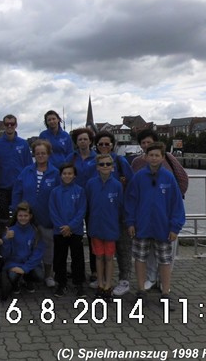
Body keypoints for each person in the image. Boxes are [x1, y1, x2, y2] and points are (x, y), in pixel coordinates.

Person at [125, 142, 186, 308]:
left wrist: (175, 227)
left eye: (157, 155)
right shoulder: (138, 177)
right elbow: (130, 201)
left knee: (165, 261)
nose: (153, 158)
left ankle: (165, 292)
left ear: (162, 157)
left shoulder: (169, 178)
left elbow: (176, 205)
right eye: (151, 155)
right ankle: (141, 290)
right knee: (140, 258)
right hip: (141, 226)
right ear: (145, 157)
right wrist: (130, 222)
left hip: (163, 227)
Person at [11, 139, 60, 287]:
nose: (40, 156)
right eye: (37, 153)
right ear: (34, 154)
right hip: (27, 218)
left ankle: (48, 275)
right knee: (24, 245)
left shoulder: (55, 173)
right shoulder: (26, 171)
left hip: (47, 217)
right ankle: (25, 274)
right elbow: (17, 192)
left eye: (43, 153)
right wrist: (16, 210)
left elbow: (59, 196)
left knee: (48, 246)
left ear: (48, 154)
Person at [94, 130, 134, 298]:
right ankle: (102, 279)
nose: (104, 146)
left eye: (107, 144)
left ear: (112, 145)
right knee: (103, 251)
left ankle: (124, 280)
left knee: (123, 248)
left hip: (120, 210)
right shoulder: (95, 162)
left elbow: (131, 184)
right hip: (103, 213)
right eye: (101, 144)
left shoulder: (120, 161)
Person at [85, 154, 123, 301]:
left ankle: (108, 285)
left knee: (109, 258)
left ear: (112, 167)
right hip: (95, 226)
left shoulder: (117, 185)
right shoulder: (90, 184)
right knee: (99, 257)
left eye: (108, 164)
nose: (105, 166)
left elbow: (120, 206)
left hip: (111, 228)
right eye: (102, 164)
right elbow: (88, 203)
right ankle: (100, 284)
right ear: (97, 167)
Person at [49, 163, 87, 297]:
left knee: (78, 258)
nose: (67, 176)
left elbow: (81, 211)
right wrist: (62, 227)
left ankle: (78, 283)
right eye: (64, 173)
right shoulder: (55, 192)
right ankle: (61, 283)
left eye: (70, 173)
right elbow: (53, 211)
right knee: (60, 258)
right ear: (60, 175)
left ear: (74, 175)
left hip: (75, 230)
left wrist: (70, 226)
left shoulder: (80, 191)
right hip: (59, 231)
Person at [66, 127, 98, 288]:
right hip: (75, 200)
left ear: (90, 141)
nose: (83, 142)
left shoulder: (97, 157)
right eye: (80, 139)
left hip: (93, 200)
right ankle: (76, 268)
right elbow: (65, 175)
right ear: (76, 142)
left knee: (93, 236)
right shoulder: (71, 158)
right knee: (75, 236)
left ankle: (95, 270)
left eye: (85, 139)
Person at [0, 114, 32, 232]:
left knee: (20, 216)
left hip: (19, 187)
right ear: (3, 125)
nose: (9, 126)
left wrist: (28, 184)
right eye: (7, 124)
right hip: (2, 187)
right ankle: (3, 240)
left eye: (12, 124)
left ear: (16, 125)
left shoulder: (23, 144)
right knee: (3, 218)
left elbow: (29, 166)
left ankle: (20, 239)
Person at [1, 202, 45, 295]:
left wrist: (25, 268)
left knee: (40, 276)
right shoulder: (10, 231)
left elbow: (38, 254)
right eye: (20, 216)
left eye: (26, 215)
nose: (23, 218)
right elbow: (4, 255)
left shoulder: (35, 232)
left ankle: (28, 280)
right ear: (16, 216)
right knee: (13, 276)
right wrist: (6, 240)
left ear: (30, 216)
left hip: (29, 263)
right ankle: (15, 283)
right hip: (13, 263)